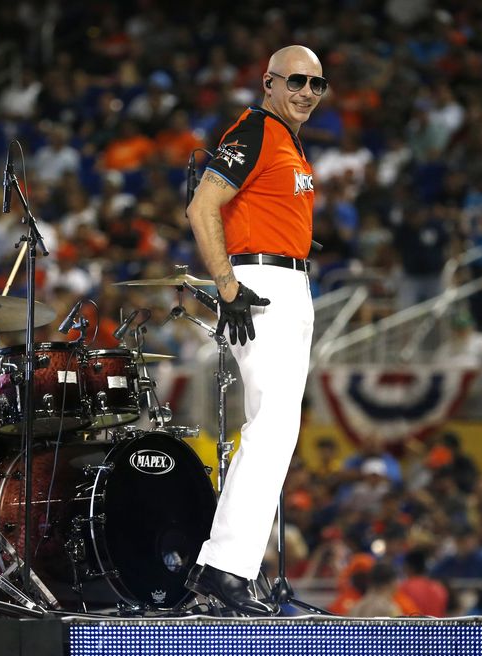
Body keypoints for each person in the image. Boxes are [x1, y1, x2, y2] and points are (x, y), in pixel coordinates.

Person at [184, 45, 325, 615]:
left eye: (317, 84)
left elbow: (257, 207)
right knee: (271, 426)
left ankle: (219, 564)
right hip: (261, 285)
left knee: (278, 428)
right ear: (268, 83)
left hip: (285, 279)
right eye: (295, 81)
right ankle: (225, 567)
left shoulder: (285, 139)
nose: (306, 93)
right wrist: (228, 284)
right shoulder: (260, 129)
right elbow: (202, 206)